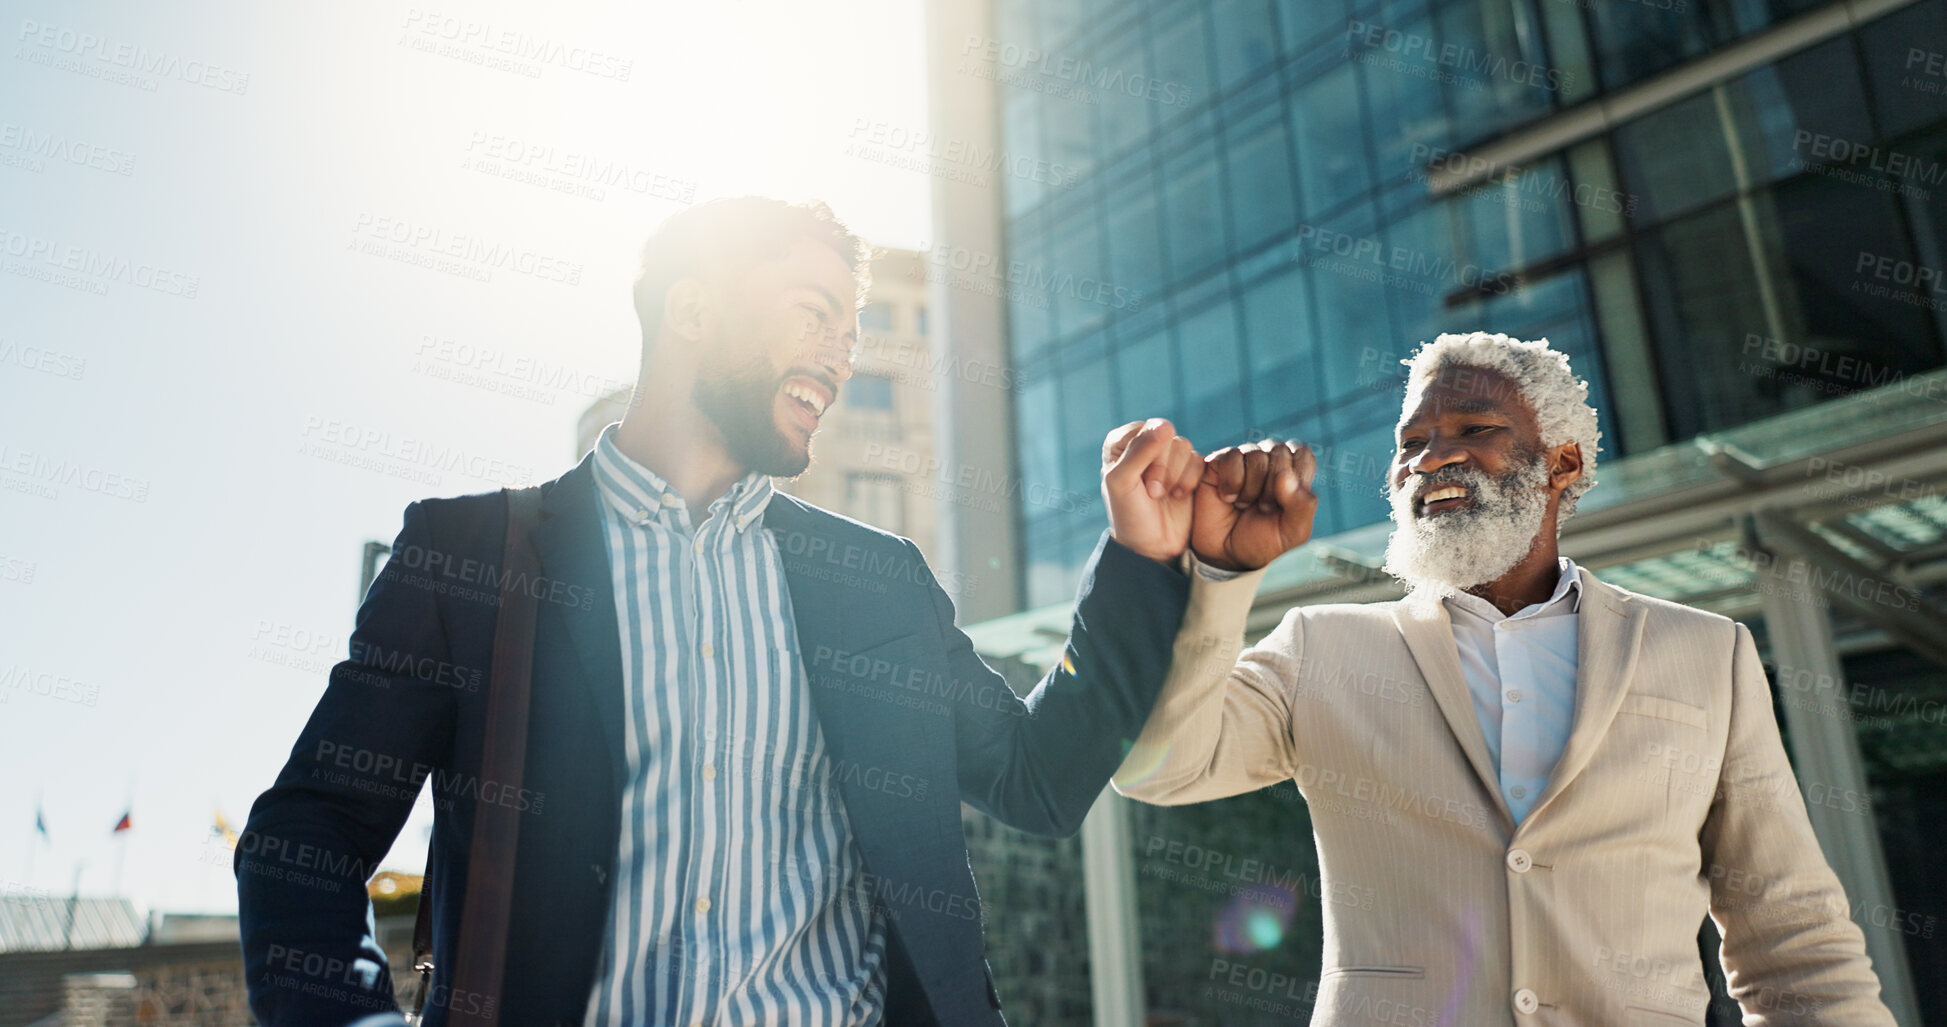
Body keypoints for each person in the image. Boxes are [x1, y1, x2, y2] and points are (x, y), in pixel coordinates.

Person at [236, 197, 1213, 1026]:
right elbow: (308, 830)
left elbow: (1036, 777)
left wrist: (1139, 559)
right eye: (813, 315)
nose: (838, 358)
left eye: (850, 332)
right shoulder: (473, 559)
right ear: (693, 307)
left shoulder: (878, 580)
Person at [1115, 332, 1896, 1025]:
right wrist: (1217, 575)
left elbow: (1790, 935)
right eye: (1410, 441)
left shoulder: (1703, 652)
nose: (1430, 457)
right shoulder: (1322, 647)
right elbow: (1158, 764)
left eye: (1472, 429)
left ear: (1562, 461)